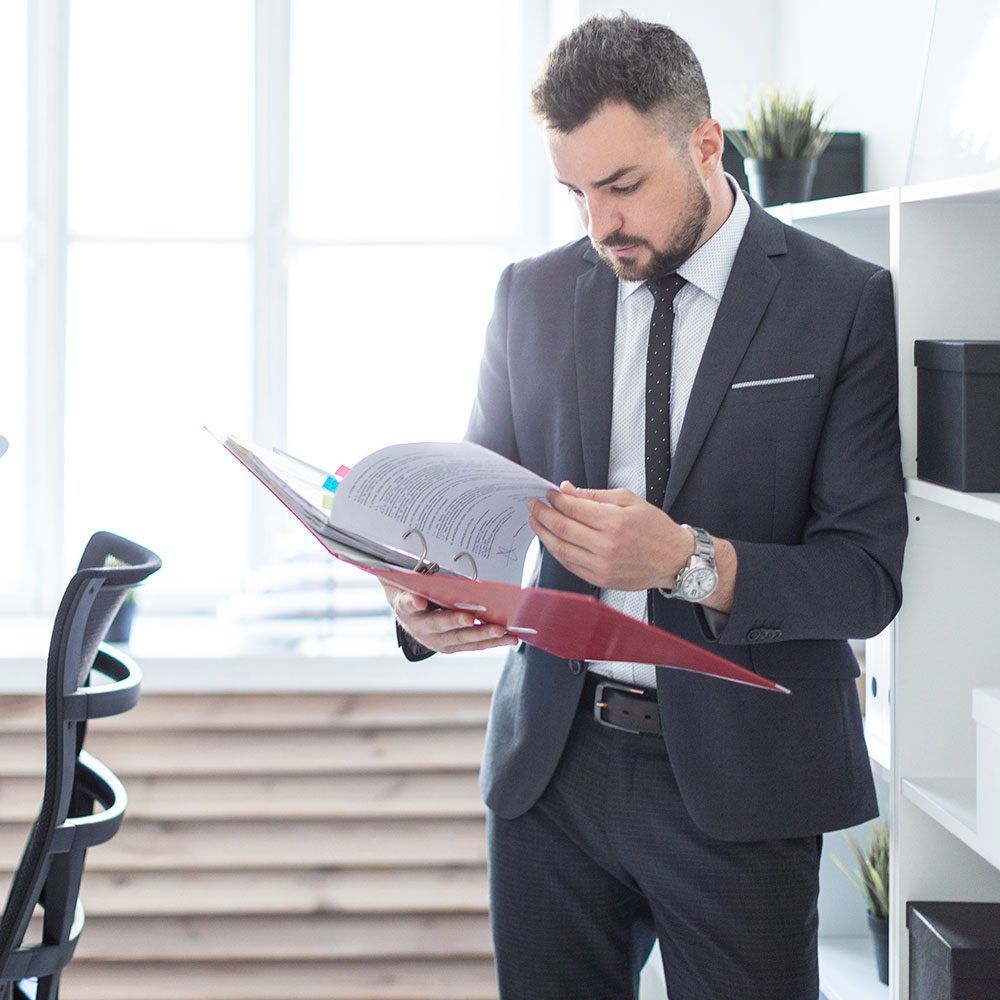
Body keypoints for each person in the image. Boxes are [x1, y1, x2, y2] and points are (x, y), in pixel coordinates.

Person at [380, 12, 907, 1000]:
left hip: (742, 787)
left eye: (622, 186)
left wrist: (683, 560)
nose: (598, 225)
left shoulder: (838, 303)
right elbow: (471, 516)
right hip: (551, 774)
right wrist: (424, 599)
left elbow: (865, 579)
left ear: (705, 141)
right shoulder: (529, 296)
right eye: (575, 192)